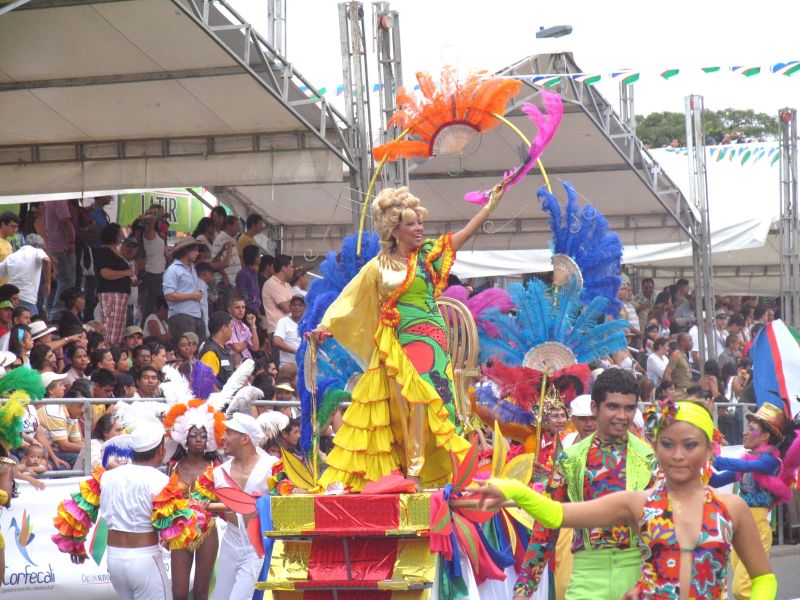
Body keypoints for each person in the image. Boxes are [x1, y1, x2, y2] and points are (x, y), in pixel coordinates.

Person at [467, 399, 778, 600]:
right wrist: (512, 489)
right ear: (656, 449)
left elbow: (763, 578)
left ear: (710, 450)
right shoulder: (637, 504)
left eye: (690, 445)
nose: (678, 455)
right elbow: (557, 514)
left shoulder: (731, 508)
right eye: (668, 444)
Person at [311, 184, 505, 490]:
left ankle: (427, 473)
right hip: (398, 342)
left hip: (432, 340)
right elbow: (350, 298)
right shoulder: (378, 267)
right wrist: (324, 328)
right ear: (394, 230)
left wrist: (489, 207)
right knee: (403, 406)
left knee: (436, 405)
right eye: (411, 224)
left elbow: (463, 236)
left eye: (420, 223)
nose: (419, 229)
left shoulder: (427, 257)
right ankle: (408, 470)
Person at [510, 369, 656, 600]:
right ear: (595, 408)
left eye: (629, 408)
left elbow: (664, 527)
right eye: (613, 406)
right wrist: (523, 589)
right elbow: (546, 526)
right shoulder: (571, 459)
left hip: (637, 576)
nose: (622, 415)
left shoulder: (649, 459)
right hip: (586, 575)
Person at [54, 423, 206, 600]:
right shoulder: (160, 480)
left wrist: (75, 545)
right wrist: (197, 510)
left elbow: (77, 510)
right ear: (160, 452)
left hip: (115, 560)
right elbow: (177, 525)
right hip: (144, 560)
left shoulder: (106, 476)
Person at [711, 403, 787, 600]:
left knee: (741, 589)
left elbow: (745, 465)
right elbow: (716, 481)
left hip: (758, 529)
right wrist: (698, 463)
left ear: (765, 436)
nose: (744, 432)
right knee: (749, 589)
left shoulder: (771, 461)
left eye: (752, 429)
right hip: (740, 529)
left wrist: (715, 459)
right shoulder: (748, 462)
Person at [210, 412, 278, 600]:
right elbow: (199, 500)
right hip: (229, 545)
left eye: (229, 432)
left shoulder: (272, 467)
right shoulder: (218, 472)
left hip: (257, 546)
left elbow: (285, 498)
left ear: (245, 439)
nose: (223, 437)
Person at [95, 224, 135, 346]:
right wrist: (126, 272)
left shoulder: (115, 252)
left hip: (121, 295)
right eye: (120, 233)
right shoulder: (105, 252)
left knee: (118, 330)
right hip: (111, 295)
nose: (122, 235)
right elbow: (105, 273)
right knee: (110, 330)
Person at [163, 236, 206, 343]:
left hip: (196, 315)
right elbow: (169, 295)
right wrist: (192, 296)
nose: (197, 253)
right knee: (187, 347)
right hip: (181, 315)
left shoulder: (192, 269)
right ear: (186, 251)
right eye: (195, 250)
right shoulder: (173, 270)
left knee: (199, 347)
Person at [37, 372, 83, 467]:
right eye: (60, 385)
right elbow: (64, 446)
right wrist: (90, 449)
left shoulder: (69, 409)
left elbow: (77, 442)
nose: (64, 388)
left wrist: (92, 448)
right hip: (49, 451)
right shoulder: (52, 409)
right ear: (50, 391)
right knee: (83, 458)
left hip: (59, 451)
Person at [0, 233, 50, 316]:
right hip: (27, 299)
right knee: (29, 322)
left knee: (14, 322)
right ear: (40, 246)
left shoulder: (12, 256)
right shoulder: (37, 251)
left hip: (11, 299)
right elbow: (46, 260)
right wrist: (48, 283)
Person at [43, 199, 77, 319]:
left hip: (55, 246)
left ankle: (51, 311)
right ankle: (57, 313)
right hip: (62, 247)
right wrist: (71, 241)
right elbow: (65, 221)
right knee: (67, 281)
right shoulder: (59, 200)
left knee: (60, 282)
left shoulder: (48, 200)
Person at [139, 210, 168, 324]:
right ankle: (144, 328)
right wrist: (154, 215)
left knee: (157, 306)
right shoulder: (149, 233)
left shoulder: (156, 236)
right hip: (151, 274)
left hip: (159, 274)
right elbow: (151, 219)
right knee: (149, 307)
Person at [261, 254, 295, 338]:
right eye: (292, 266)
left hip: (289, 330)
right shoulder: (271, 284)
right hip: (277, 331)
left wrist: (294, 301)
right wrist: (296, 300)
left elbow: (298, 305)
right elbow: (286, 308)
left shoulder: (287, 285)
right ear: (284, 268)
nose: (293, 269)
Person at [211, 216, 241, 309]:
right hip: (228, 282)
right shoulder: (220, 239)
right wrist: (224, 276)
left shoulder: (232, 239)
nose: (238, 229)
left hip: (234, 281)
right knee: (229, 309)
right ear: (229, 226)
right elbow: (215, 260)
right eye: (236, 226)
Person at [176, 332, 216, 400]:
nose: (187, 348)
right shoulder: (173, 367)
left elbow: (211, 386)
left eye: (189, 345)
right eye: (183, 345)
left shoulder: (199, 366)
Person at [199, 311, 234, 387]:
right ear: (224, 328)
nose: (232, 330)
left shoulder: (222, 348)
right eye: (231, 326)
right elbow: (206, 381)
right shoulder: (210, 352)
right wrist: (221, 394)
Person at [273, 294, 304, 366]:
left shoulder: (308, 322)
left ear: (305, 308)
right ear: (290, 307)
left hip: (305, 365)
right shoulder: (283, 321)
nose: (297, 307)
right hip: (288, 365)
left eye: (300, 305)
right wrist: (297, 352)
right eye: (294, 305)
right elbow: (277, 342)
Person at [226, 296, 259, 362]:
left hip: (248, 362)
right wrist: (248, 341)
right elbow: (237, 348)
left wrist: (253, 325)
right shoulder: (228, 325)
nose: (241, 310)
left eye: (243, 307)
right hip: (236, 363)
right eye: (237, 307)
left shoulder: (245, 326)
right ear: (229, 309)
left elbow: (255, 347)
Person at [663, 332, 694, 398]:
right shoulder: (676, 355)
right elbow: (666, 374)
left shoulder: (683, 355)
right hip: (680, 393)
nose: (692, 343)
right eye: (690, 341)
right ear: (683, 342)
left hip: (687, 392)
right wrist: (672, 391)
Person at [235, 245, 262, 314]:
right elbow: (238, 293)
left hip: (255, 309)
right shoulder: (243, 274)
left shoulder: (254, 272)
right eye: (259, 255)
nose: (260, 257)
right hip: (247, 310)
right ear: (256, 258)